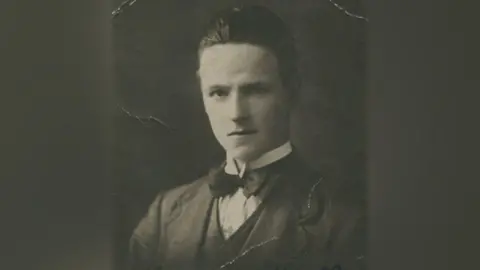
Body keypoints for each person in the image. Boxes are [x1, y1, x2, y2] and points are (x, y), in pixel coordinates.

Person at [128, 5, 366, 270]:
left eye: (255, 91)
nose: (236, 113)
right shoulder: (163, 217)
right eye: (218, 93)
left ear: (291, 91)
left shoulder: (343, 222)